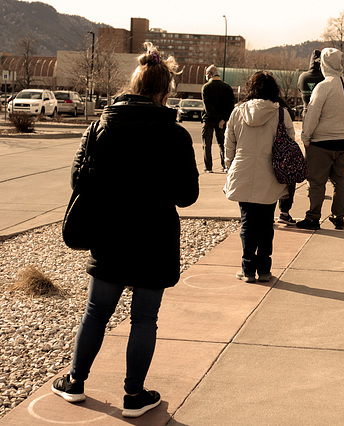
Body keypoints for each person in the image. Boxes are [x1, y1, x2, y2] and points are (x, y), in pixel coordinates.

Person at [51, 42, 199, 418]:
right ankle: (134, 395)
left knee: (96, 311)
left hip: (110, 233)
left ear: (134, 83)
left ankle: (75, 381)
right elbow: (187, 197)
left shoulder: (101, 125)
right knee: (144, 318)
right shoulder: (176, 135)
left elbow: (78, 179)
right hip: (155, 237)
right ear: (166, 91)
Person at [224, 71, 291, 283]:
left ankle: (246, 269)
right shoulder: (281, 113)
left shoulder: (238, 112)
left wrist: (230, 167)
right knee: (265, 224)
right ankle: (263, 269)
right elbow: (290, 142)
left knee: (247, 223)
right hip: (270, 173)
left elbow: (229, 144)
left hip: (242, 170)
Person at [296, 48, 344, 230]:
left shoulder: (323, 87)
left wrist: (306, 137)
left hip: (321, 143)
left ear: (324, 64)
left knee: (317, 181)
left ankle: (313, 217)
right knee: (340, 180)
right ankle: (339, 216)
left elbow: (312, 114)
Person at [275, 50, 326, 226]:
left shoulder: (303, 77)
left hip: (306, 114)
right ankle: (313, 183)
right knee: (316, 157)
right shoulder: (325, 80)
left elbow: (299, 89)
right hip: (322, 119)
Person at [201, 64, 235, 173]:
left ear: (210, 74)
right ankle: (224, 165)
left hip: (209, 120)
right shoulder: (227, 87)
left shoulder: (206, 87)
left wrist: (215, 117)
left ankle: (208, 167)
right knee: (223, 143)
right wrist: (223, 119)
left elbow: (208, 107)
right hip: (222, 121)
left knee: (207, 144)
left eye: (207, 74)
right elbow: (231, 106)